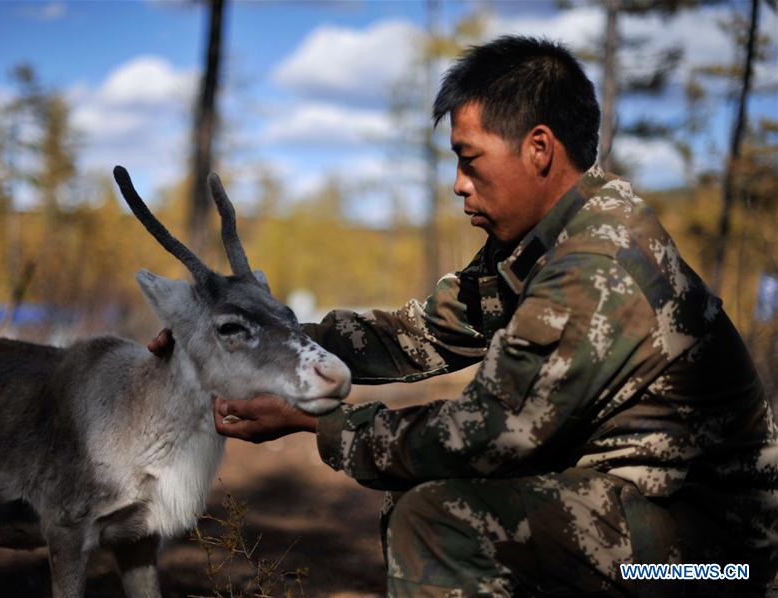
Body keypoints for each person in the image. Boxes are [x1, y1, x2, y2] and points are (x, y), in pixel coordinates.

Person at [152, 36, 778, 596]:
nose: (457, 184)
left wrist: (316, 425)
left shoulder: (595, 265)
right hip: (639, 509)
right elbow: (418, 334)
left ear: (538, 149)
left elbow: (485, 434)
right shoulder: (538, 245)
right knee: (431, 502)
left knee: (441, 521)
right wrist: (264, 341)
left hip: (711, 559)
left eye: (469, 158)